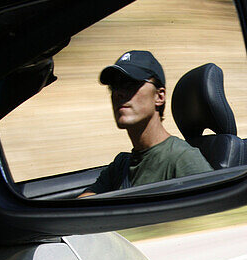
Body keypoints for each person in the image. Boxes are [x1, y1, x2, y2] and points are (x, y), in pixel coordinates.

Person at [81, 50, 211, 196]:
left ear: (159, 96)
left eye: (130, 84)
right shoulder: (120, 166)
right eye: (114, 87)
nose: (118, 93)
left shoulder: (183, 159)